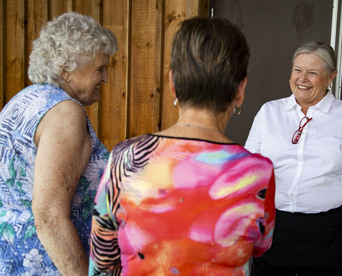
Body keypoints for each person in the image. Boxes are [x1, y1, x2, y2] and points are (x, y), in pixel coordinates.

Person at [88, 16, 276, 276]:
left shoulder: (125, 158)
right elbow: (261, 245)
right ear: (240, 90)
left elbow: (101, 260)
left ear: (173, 83)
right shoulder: (258, 173)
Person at [245, 41, 342, 276]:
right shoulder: (269, 112)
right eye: (297, 70)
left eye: (312, 72)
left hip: (330, 233)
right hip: (275, 229)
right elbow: (249, 172)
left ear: (331, 77)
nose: (302, 78)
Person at [0, 12, 118, 275]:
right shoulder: (65, 113)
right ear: (66, 68)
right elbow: (49, 218)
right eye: (100, 68)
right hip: (47, 264)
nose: (105, 78)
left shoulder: (24, 99)